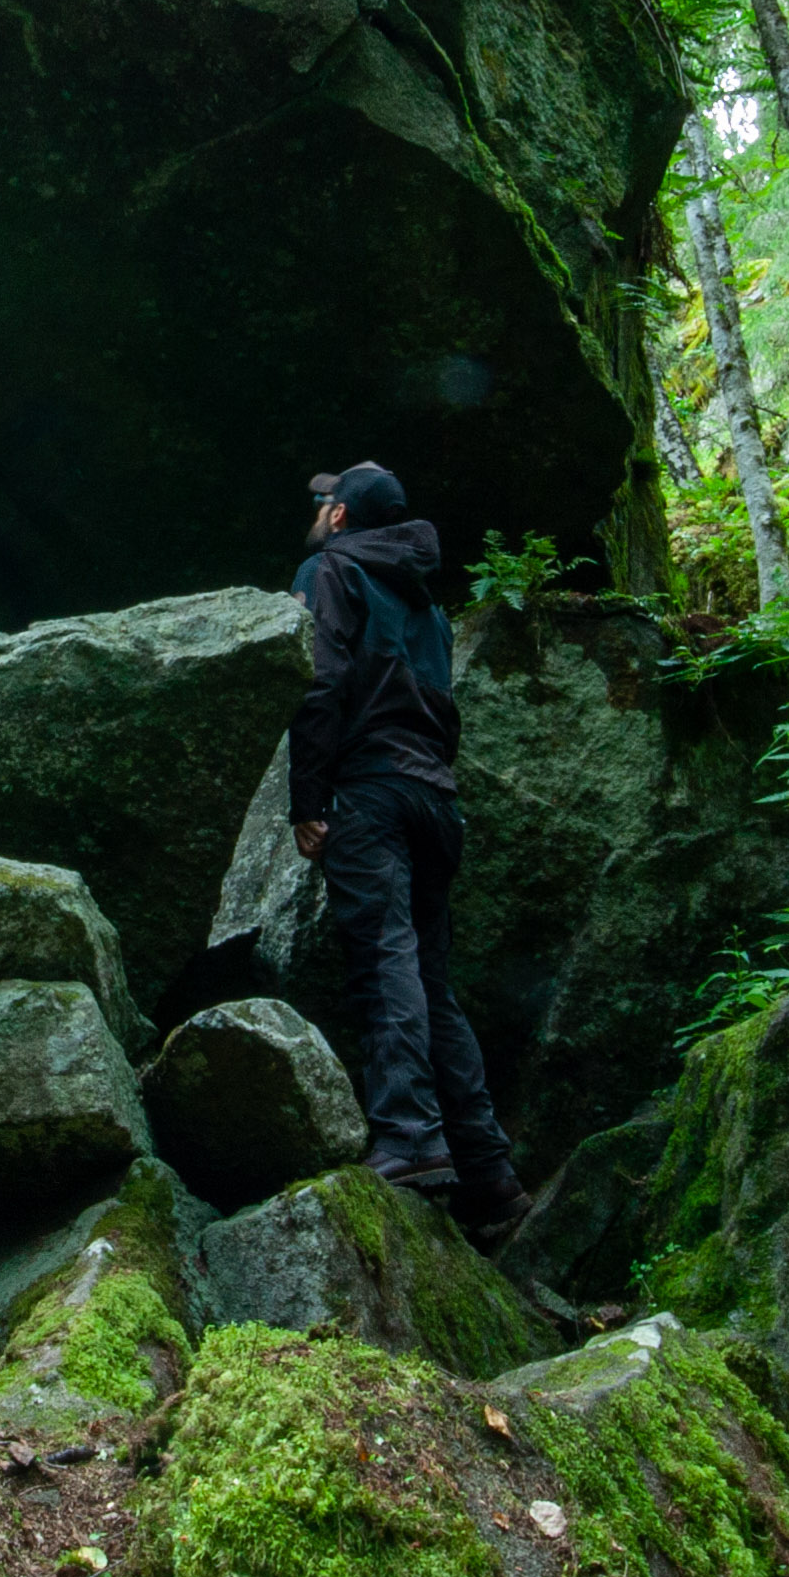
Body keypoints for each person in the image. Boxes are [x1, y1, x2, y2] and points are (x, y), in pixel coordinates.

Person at [287, 461, 528, 1246]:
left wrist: (309, 801)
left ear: (343, 517)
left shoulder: (328, 571)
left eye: (324, 503)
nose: (317, 512)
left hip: (373, 789)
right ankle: (487, 1169)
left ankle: (412, 1142)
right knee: (430, 976)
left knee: (385, 961)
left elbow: (321, 686)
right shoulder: (426, 601)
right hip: (435, 796)